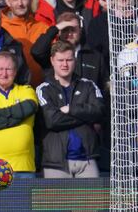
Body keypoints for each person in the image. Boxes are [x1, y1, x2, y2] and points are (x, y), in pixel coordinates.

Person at [36, 41, 106, 178]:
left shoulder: (88, 85)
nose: (65, 64)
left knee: (92, 200)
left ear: (75, 60)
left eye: (69, 59)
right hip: (55, 163)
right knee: (58, 200)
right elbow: (51, 120)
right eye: (60, 60)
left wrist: (71, 109)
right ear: (52, 61)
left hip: (87, 160)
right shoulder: (43, 89)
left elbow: (100, 111)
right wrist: (85, 117)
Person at [0, 51, 38, 178]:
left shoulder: (26, 90)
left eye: (8, 69)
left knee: (24, 199)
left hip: (24, 166)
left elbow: (30, 106)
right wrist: (18, 116)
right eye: (0, 69)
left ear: (15, 72)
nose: (4, 73)